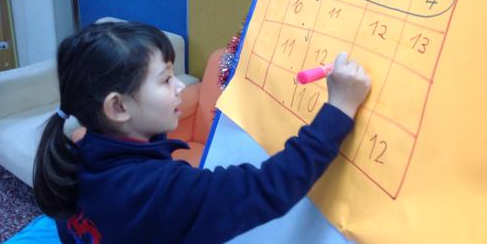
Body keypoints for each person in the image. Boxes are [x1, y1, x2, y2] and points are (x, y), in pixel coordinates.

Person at [33, 21, 371, 244]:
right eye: (166, 79)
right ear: (118, 108)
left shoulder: (75, 152)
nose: (181, 86)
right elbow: (270, 187)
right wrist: (339, 109)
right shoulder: (163, 189)